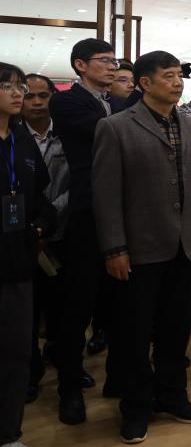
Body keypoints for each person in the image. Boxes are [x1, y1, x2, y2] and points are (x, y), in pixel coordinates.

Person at [93, 51, 191, 443]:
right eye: (168, 76)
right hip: (138, 248)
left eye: (180, 76)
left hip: (183, 245)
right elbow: (106, 195)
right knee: (133, 334)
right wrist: (114, 248)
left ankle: (173, 395)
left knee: (175, 329)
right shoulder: (115, 127)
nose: (177, 83)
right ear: (145, 83)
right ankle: (136, 407)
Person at [49, 38, 122, 425]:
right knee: (77, 306)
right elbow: (109, 133)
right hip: (87, 212)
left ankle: (118, 379)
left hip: (122, 211)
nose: (112, 67)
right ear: (81, 65)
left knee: (119, 301)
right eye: (104, 61)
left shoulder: (118, 103)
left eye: (115, 61)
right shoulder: (67, 102)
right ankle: (69, 388)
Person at [0, 63, 52, 447]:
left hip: (17, 262)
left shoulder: (21, 137)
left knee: (16, 352)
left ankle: (8, 431)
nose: (18, 93)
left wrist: (40, 222)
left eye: (19, 86)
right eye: (7, 86)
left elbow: (39, 194)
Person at [22, 74, 71, 402]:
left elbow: (79, 183)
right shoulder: (11, 137)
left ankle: (61, 357)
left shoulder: (68, 134)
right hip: (23, 238)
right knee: (27, 310)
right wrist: (33, 226)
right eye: (30, 96)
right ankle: (30, 371)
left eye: (43, 95)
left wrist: (48, 218)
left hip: (63, 233)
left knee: (63, 307)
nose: (37, 102)